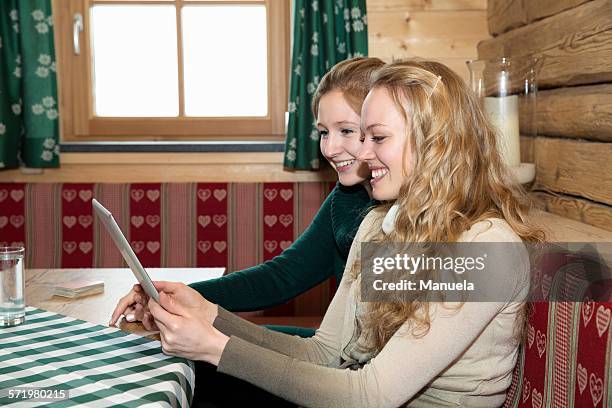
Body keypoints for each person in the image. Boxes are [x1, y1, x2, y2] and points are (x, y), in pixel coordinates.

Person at [144, 59, 547, 407]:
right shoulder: (377, 223)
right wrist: (211, 315)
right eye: (364, 137)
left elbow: (369, 396)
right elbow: (324, 352)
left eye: (379, 138)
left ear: (436, 144)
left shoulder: (488, 247)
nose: (363, 154)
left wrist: (216, 348)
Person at [109, 57, 385, 337]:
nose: (330, 148)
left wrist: (210, 329)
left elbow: (379, 357)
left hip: (359, 370)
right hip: (341, 353)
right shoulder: (348, 196)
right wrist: (174, 296)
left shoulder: (412, 216)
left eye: (347, 131)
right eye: (324, 132)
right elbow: (282, 276)